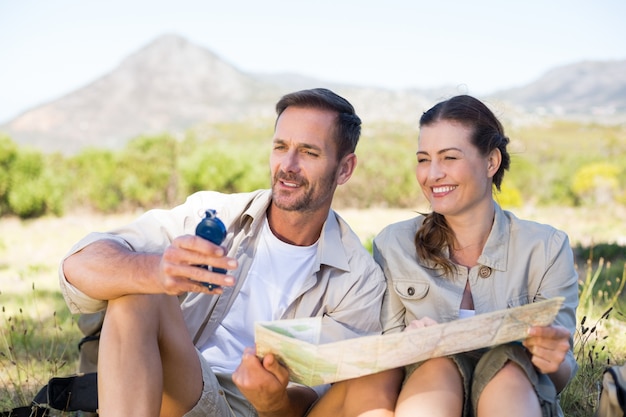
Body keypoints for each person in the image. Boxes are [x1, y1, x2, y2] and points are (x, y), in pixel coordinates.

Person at [58, 88, 387, 417]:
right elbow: (78, 264)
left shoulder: (359, 281)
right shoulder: (212, 214)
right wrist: (155, 270)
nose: (288, 165)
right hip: (177, 389)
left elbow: (319, 401)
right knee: (141, 290)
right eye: (280, 147)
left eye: (309, 152)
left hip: (255, 411)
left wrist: (274, 399)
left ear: (344, 168)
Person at [307, 95, 579, 417]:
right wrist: (406, 344)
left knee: (508, 367)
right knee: (438, 364)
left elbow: (560, 374)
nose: (432, 174)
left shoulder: (546, 247)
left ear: (491, 162)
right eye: (423, 159)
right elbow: (384, 361)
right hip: (427, 391)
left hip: (515, 396)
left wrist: (555, 357)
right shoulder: (394, 245)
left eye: (449, 157)